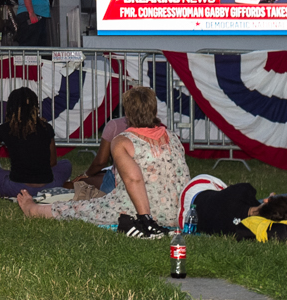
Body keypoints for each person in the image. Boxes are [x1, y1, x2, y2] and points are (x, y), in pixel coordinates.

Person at [15, 84, 188, 233]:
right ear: (155, 110)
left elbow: (134, 180)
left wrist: (146, 219)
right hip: (177, 212)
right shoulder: (172, 137)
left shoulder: (123, 141)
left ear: (126, 112)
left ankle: (33, 209)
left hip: (141, 210)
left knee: (78, 208)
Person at [0, 87, 71, 196]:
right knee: (66, 164)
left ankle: (8, 179)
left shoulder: (5, 128)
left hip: (16, 188)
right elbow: (53, 162)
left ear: (11, 107)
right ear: (35, 107)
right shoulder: (46, 127)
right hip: (48, 186)